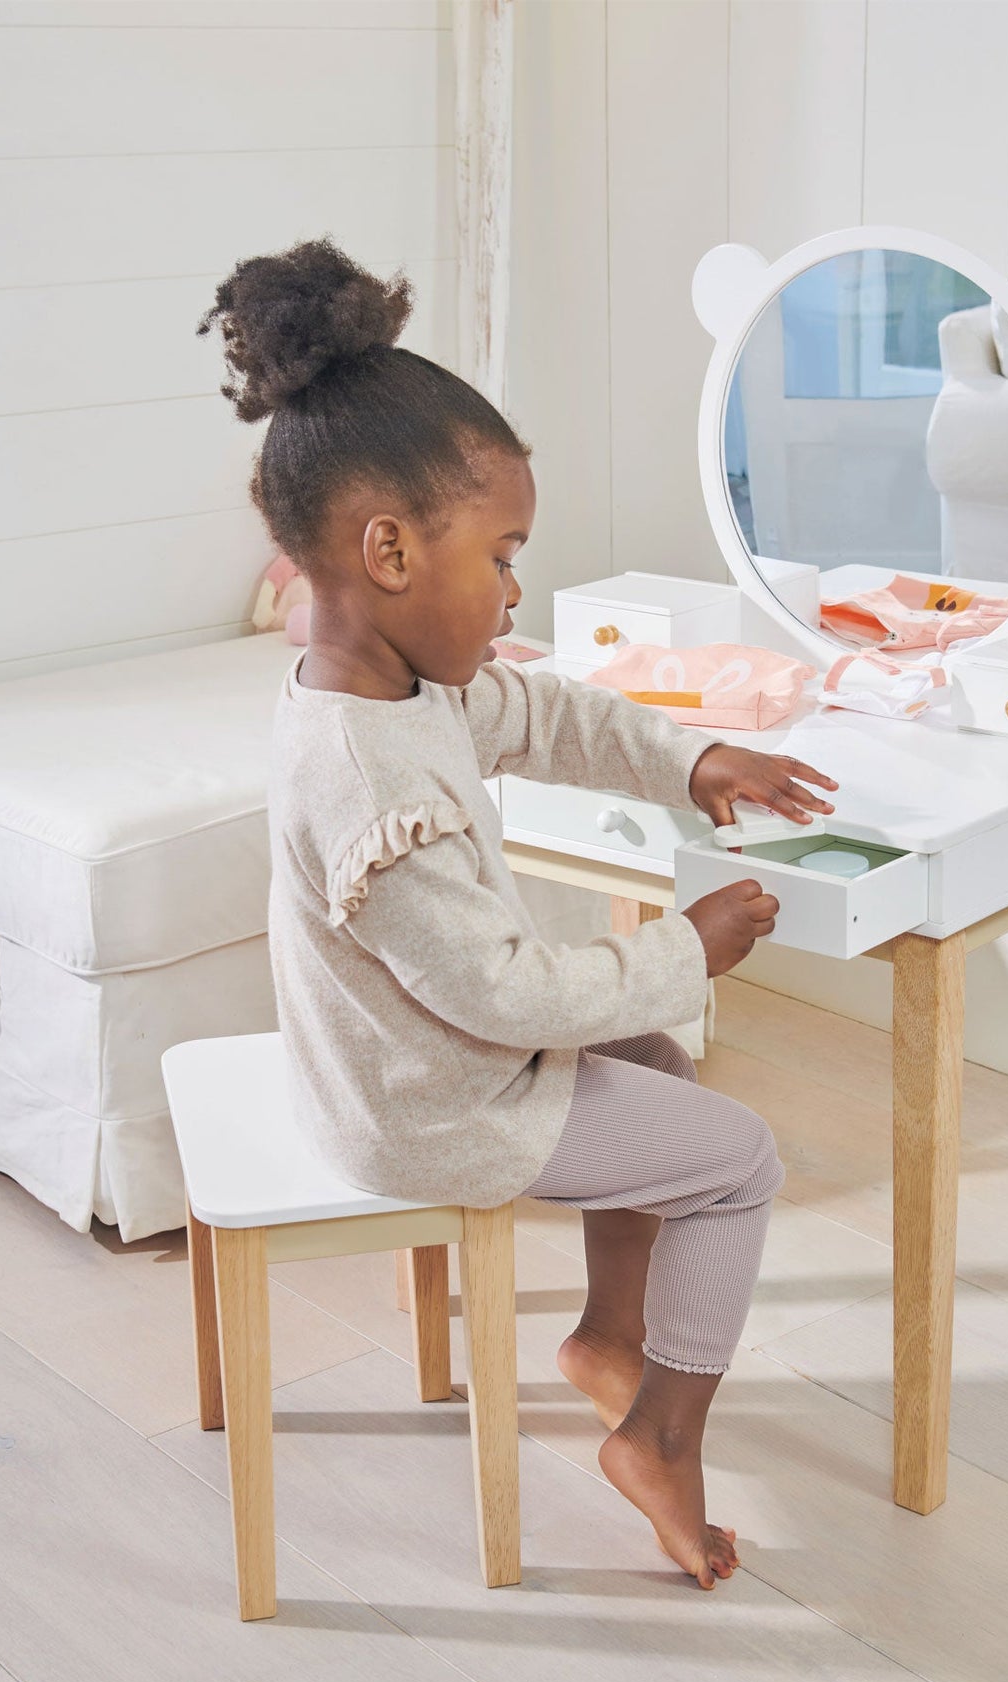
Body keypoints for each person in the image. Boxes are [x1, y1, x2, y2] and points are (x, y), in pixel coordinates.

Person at [199, 239, 839, 1589]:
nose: (513, 592)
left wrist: (688, 760)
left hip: (403, 1066)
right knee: (738, 1159)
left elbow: (537, 709)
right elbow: (503, 996)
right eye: (502, 557)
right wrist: (685, 951)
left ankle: (609, 1341)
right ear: (388, 551)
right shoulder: (373, 779)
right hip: (431, 1104)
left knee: (650, 1071)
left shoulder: (387, 693)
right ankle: (661, 1433)